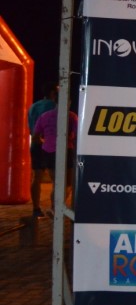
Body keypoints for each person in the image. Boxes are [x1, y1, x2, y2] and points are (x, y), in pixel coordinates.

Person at [31, 97, 78, 217]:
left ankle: (52, 208)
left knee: (56, 182)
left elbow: (35, 137)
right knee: (67, 184)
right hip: (67, 150)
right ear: (68, 102)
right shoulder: (72, 116)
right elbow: (77, 136)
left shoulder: (44, 116)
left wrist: (46, 142)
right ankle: (54, 208)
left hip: (49, 152)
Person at [27, 82, 58, 218]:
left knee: (36, 177)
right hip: (50, 145)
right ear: (53, 93)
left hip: (35, 143)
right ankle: (54, 208)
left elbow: (30, 127)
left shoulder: (33, 106)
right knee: (56, 179)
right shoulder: (54, 106)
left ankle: (36, 209)